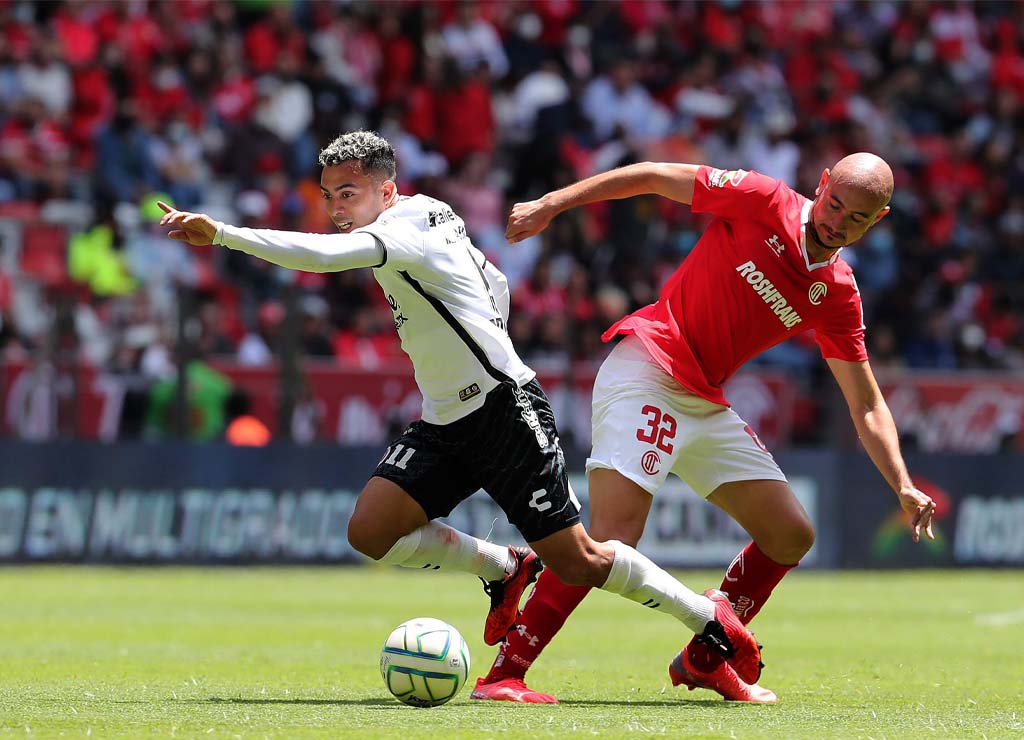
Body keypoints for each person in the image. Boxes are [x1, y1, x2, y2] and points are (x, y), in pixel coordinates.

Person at [158, 130, 764, 690]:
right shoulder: (432, 214)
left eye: (349, 193)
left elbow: (320, 260)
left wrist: (222, 234)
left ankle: (705, 617)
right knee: (370, 531)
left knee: (578, 562)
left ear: (385, 190)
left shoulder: (402, 231)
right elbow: (494, 280)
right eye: (328, 196)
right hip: (447, 419)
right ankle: (504, 566)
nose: (336, 208)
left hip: (504, 413)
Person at [472, 154, 938, 704]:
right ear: (823, 183)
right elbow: (648, 175)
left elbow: (865, 402)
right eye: (834, 203)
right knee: (614, 534)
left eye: (856, 218)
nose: (837, 221)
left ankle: (704, 657)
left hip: (704, 401)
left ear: (877, 220)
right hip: (648, 366)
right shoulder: (763, 199)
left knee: (791, 534)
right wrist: (552, 203)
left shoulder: (836, 291)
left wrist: (902, 483)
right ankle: (505, 674)